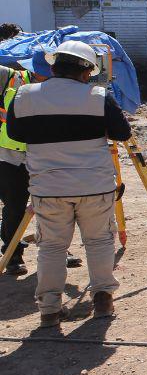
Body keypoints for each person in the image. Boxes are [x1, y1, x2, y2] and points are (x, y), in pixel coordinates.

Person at [6, 40, 131, 326]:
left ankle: (49, 309)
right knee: (99, 241)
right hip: (94, 186)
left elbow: (15, 134)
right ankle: (102, 300)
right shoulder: (98, 96)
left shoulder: (24, 95)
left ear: (54, 66)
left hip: (48, 188)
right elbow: (122, 133)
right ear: (87, 70)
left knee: (51, 248)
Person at [0, 61, 44, 276]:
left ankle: (55, 251)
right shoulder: (10, 78)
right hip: (10, 156)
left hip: (47, 156)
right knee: (15, 207)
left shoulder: (62, 85)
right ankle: (13, 254)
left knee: (54, 205)